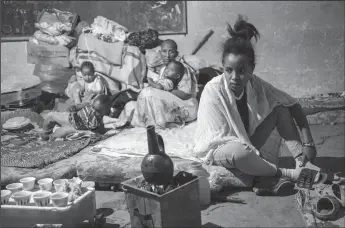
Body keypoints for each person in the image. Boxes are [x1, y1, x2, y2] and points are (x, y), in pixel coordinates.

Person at [193, 15, 322, 195]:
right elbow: (216, 141)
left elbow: (292, 104)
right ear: (222, 67)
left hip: (247, 145)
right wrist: (249, 155)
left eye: (242, 71)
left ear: (251, 70)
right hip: (222, 151)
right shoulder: (213, 89)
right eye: (228, 70)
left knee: (280, 109)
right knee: (240, 153)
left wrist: (308, 143)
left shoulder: (256, 83)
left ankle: (302, 164)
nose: (234, 78)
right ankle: (288, 174)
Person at [124, 39, 199, 129]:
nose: (167, 55)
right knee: (131, 105)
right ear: (160, 52)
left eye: (171, 52)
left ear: (176, 53)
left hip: (186, 105)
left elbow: (185, 95)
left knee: (149, 93)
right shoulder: (164, 69)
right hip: (171, 102)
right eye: (164, 51)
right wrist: (158, 90)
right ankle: (151, 122)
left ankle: (156, 124)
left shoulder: (182, 68)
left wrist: (162, 90)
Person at [40, 94, 112, 141]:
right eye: (93, 107)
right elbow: (77, 106)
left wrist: (100, 135)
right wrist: (73, 107)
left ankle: (50, 140)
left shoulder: (100, 120)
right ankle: (45, 135)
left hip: (75, 128)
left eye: (97, 111)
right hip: (70, 118)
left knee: (58, 134)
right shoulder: (88, 105)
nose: (93, 111)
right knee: (51, 116)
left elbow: (99, 131)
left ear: (105, 112)